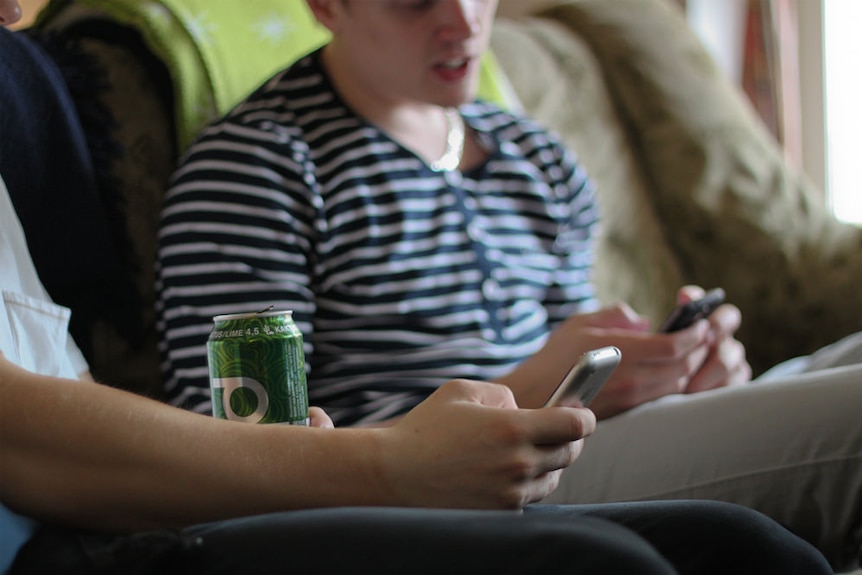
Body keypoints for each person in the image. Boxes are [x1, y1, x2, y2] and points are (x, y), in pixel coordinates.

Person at [0, 3, 837, 574]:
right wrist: (518, 389)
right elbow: (238, 433)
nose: (461, 21)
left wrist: (668, 365)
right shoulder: (257, 165)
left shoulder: (535, 157)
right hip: (460, 463)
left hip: (572, 435)